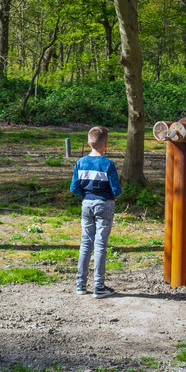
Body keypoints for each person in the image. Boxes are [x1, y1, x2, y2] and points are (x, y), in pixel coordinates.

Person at [69, 126, 122, 298]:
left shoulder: (80, 163)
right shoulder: (108, 164)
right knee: (100, 245)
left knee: (86, 243)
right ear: (106, 144)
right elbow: (117, 190)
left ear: (88, 143)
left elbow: (74, 188)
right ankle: (99, 286)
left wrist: (86, 194)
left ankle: (80, 285)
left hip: (86, 204)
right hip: (104, 205)